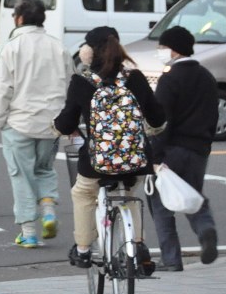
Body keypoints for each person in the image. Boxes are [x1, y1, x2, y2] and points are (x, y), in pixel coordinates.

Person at [53, 26, 166, 272]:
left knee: (83, 194)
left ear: (88, 52)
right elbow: (157, 118)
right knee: (131, 196)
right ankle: (137, 247)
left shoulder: (81, 82)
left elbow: (66, 122)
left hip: (97, 164)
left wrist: (58, 127)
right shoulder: (134, 78)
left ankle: (83, 250)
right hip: (135, 162)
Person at [0, 0, 74, 248]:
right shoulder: (59, 47)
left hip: (19, 122)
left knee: (22, 176)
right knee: (45, 169)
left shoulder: (10, 47)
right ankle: (48, 211)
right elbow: (71, 84)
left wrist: (0, 120)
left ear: (19, 18)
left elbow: (1, 89)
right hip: (51, 123)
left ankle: (28, 232)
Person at [148, 26, 219, 271]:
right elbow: (214, 116)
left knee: (160, 202)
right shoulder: (206, 77)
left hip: (172, 149)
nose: (160, 51)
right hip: (198, 150)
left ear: (174, 50)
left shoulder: (170, 79)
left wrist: (155, 156)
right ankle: (206, 229)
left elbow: (161, 121)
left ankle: (171, 259)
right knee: (192, 197)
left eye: (163, 47)